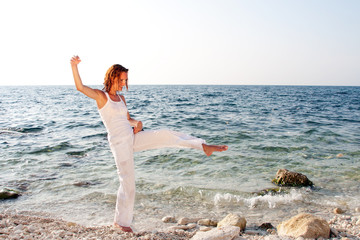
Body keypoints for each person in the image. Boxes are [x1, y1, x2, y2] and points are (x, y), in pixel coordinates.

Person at [70, 55, 228, 232]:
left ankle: (202, 146)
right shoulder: (102, 97)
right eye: (122, 79)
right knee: (127, 181)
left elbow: (126, 119)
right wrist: (74, 66)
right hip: (119, 143)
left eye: (126, 80)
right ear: (113, 77)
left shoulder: (121, 99)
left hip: (132, 137)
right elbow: (80, 87)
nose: (124, 83)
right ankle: (121, 222)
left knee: (165, 134)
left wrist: (137, 124)